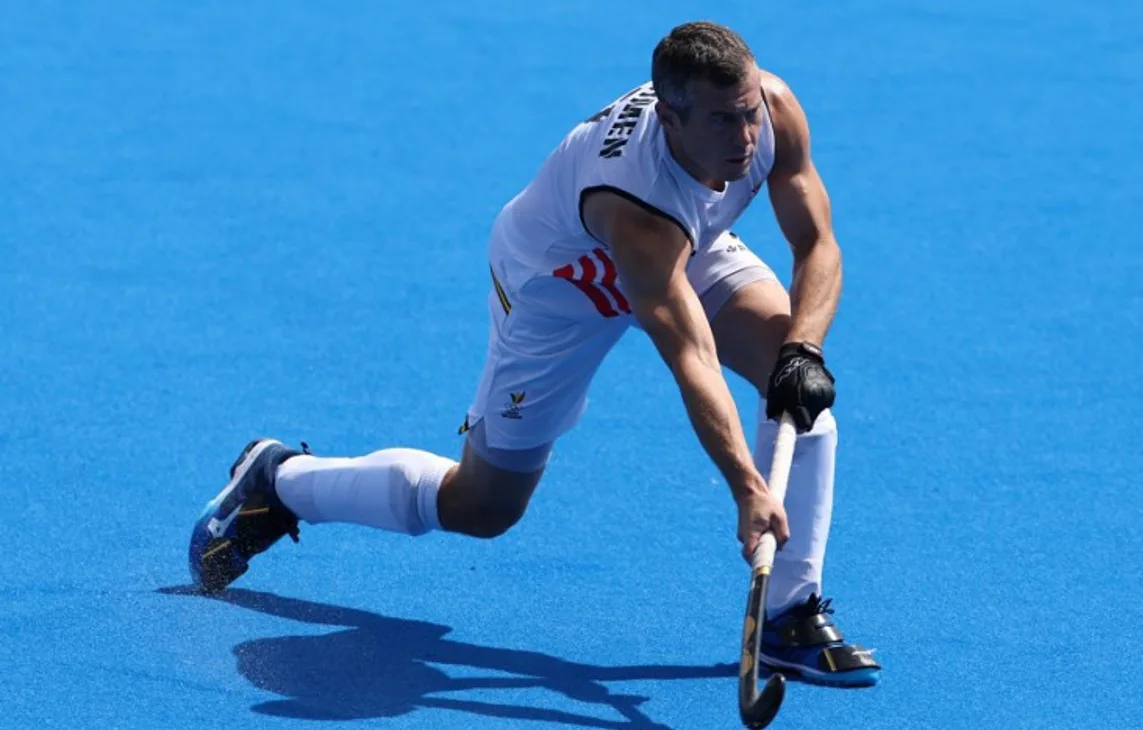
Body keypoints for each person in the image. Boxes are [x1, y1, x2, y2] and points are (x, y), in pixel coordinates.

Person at [189, 21, 880, 687]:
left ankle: (789, 616)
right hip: (562, 287)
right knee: (484, 507)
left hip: (682, 251)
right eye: (723, 122)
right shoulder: (633, 203)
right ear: (670, 119)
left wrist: (803, 353)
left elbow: (817, 244)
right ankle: (279, 481)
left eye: (749, 111)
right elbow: (691, 356)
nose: (746, 135)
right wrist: (748, 488)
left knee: (799, 396)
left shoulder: (772, 109)